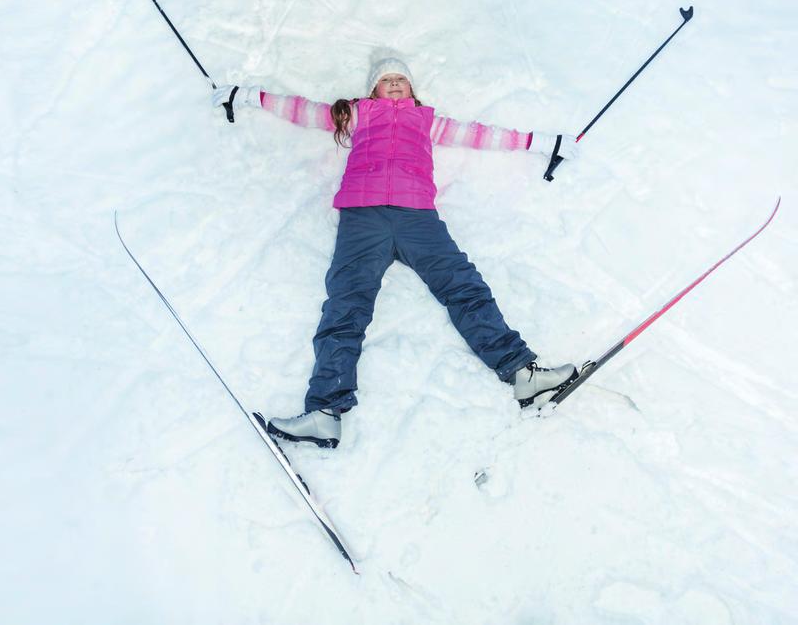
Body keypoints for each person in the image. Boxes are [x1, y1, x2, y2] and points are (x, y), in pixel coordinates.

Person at [212, 57, 578, 449]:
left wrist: (540, 142)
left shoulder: (427, 120)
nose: (395, 84)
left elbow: (481, 135)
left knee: (463, 286)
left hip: (416, 215)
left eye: (401, 79)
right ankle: (323, 412)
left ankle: (522, 372)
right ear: (374, 89)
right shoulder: (355, 114)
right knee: (346, 305)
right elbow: (299, 109)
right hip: (363, 218)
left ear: (412, 87)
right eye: (387, 80)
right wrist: (247, 95)